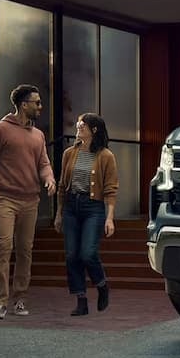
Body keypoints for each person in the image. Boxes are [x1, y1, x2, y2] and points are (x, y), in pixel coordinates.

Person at [0, 84, 56, 319]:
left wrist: (49, 178)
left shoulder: (38, 135)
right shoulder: (0, 130)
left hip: (30, 200)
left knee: (25, 251)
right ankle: (0, 301)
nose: (40, 106)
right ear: (24, 104)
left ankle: (20, 299)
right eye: (37, 102)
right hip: (5, 199)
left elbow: (43, 163)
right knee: (4, 246)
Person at [55, 112, 117, 315]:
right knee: (72, 255)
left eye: (84, 124)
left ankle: (101, 285)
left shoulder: (106, 156)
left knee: (88, 253)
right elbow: (63, 186)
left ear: (94, 130)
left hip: (94, 208)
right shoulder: (69, 153)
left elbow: (110, 189)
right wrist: (59, 214)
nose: (79, 126)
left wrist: (109, 218)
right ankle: (81, 301)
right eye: (79, 124)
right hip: (72, 207)